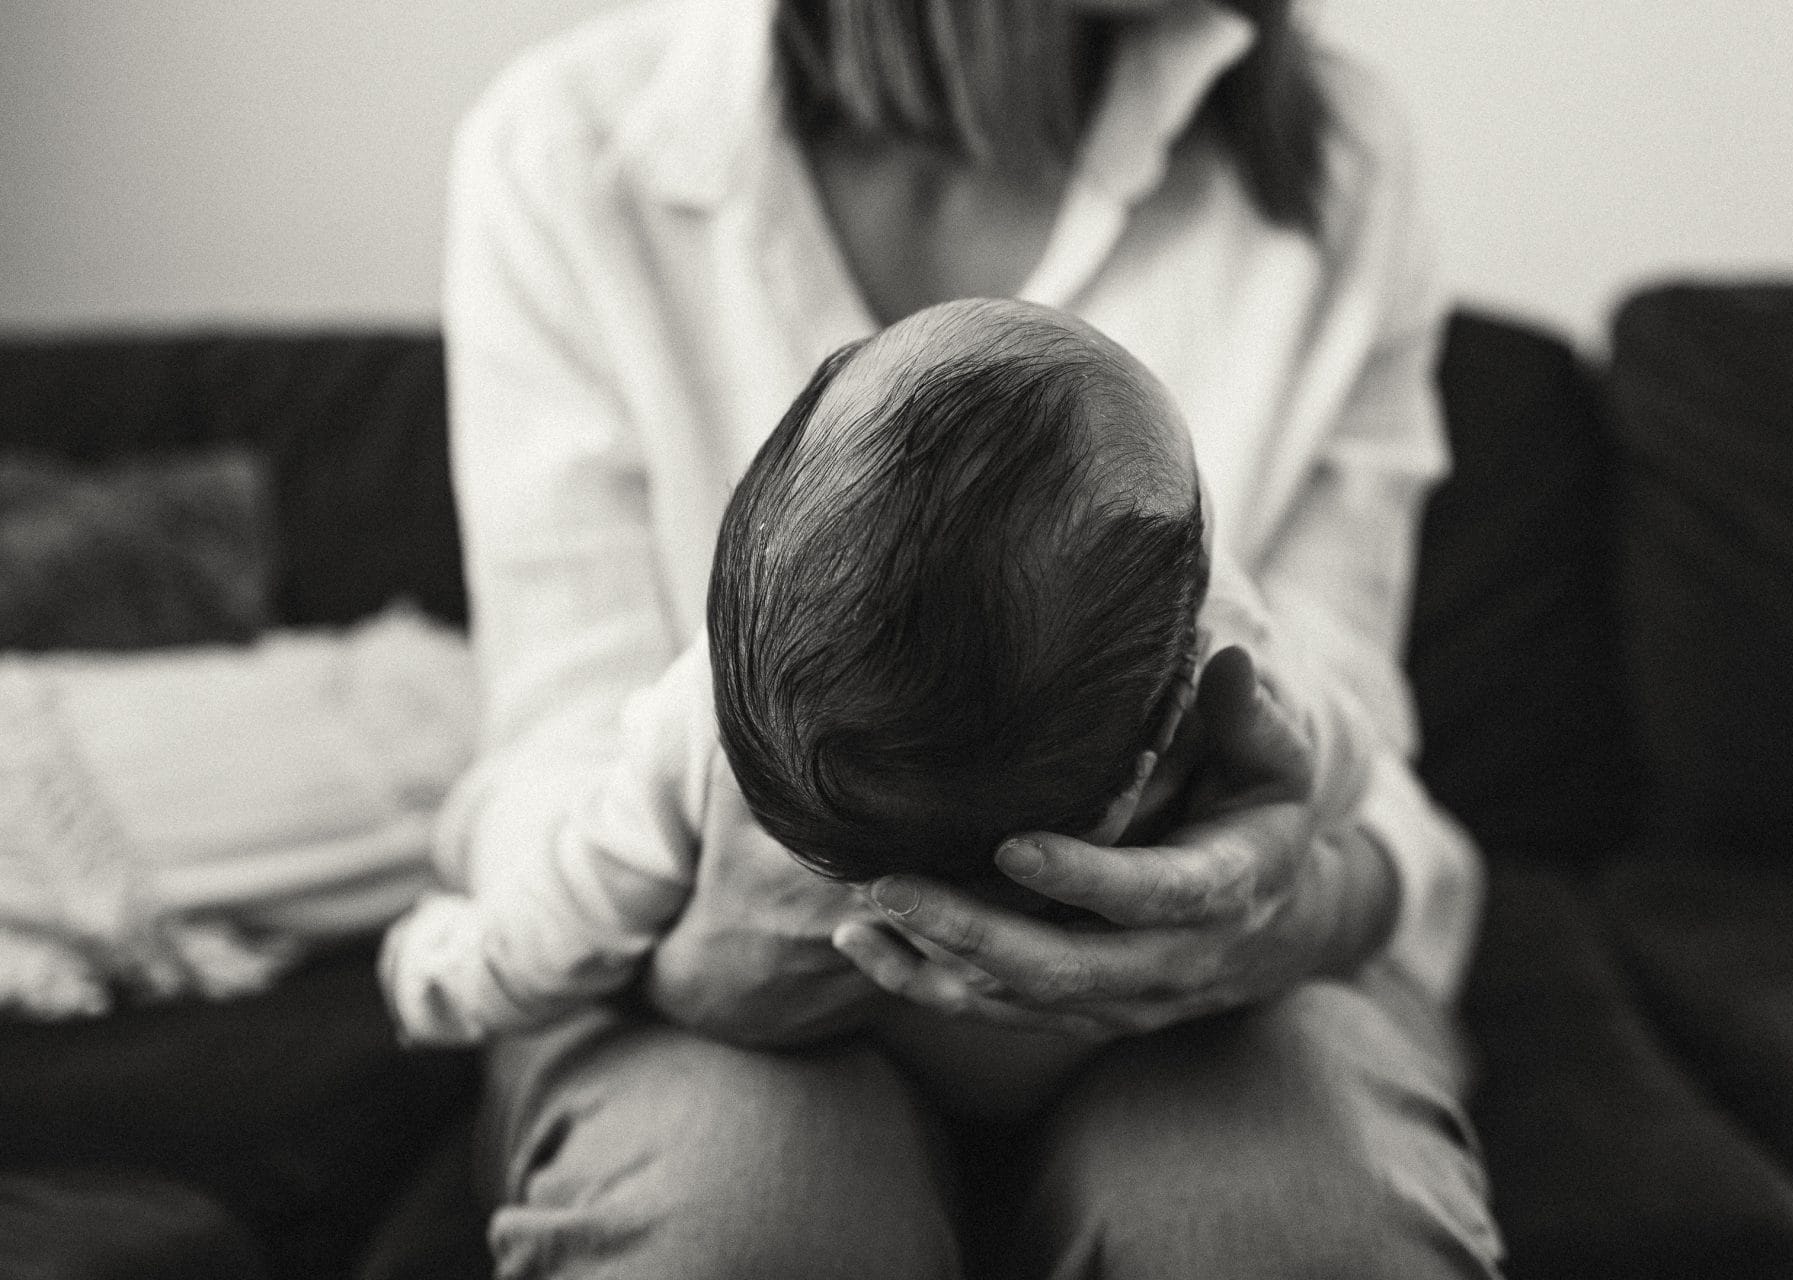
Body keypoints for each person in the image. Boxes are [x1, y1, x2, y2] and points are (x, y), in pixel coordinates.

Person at [435, 0, 1499, 1274]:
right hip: (712, 965)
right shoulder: (569, 152)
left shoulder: (1335, 158)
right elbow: (557, 758)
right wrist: (686, 968)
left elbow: (1353, 742)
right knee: (745, 1229)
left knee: (1301, 1231)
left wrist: (1296, 899)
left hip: (1203, 995)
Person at [383, 298, 1374, 1121]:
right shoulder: (1211, 651)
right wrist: (1293, 771)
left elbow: (555, 927)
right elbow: (1339, 771)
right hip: (1085, 1058)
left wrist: (434, 968)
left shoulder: (695, 723)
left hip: (820, 1060)